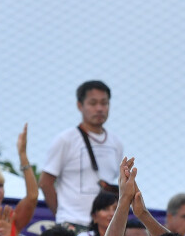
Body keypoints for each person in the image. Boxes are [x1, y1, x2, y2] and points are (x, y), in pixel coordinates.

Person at [40, 80, 123, 226]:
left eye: (104, 103)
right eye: (93, 103)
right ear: (80, 105)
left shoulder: (116, 143)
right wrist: (62, 215)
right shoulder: (66, 139)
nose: (99, 109)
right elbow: (45, 182)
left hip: (104, 228)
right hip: (72, 222)